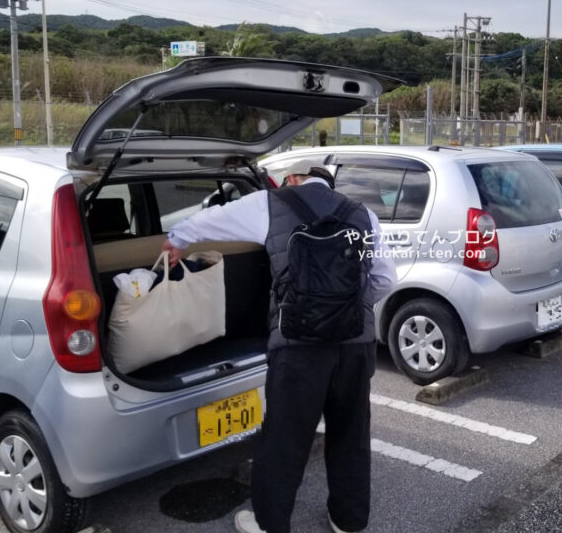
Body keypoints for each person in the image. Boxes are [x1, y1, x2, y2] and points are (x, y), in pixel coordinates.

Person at [161, 159, 397, 533]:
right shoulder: (362, 214)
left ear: (292, 179)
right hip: (355, 344)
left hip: (297, 345)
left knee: (285, 437)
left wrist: (177, 239)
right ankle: (348, 521)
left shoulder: (270, 203)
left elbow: (214, 219)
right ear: (329, 185)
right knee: (351, 433)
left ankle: (270, 524)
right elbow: (384, 279)